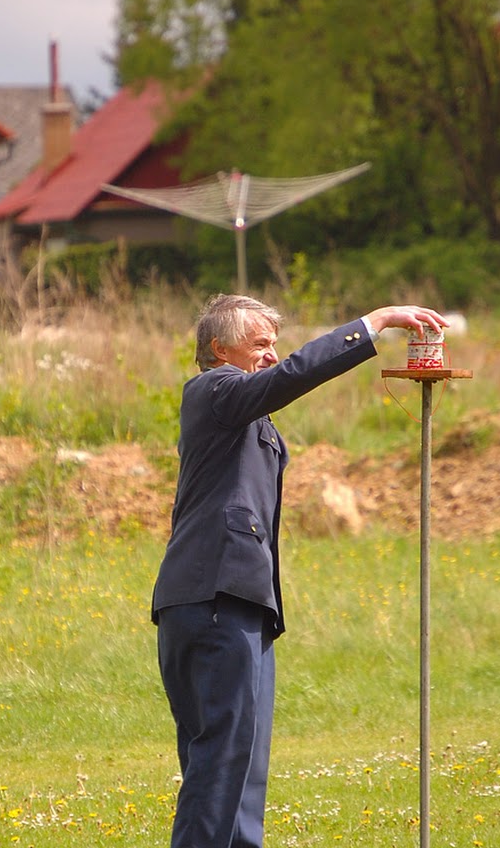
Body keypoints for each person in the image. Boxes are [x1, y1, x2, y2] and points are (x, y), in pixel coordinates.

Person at [151, 293, 448, 848]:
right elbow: (293, 375)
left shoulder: (241, 408)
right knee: (220, 763)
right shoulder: (215, 389)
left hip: (238, 600)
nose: (271, 355)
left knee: (241, 765)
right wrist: (374, 324)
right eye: (259, 344)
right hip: (215, 599)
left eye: (273, 344)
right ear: (220, 349)